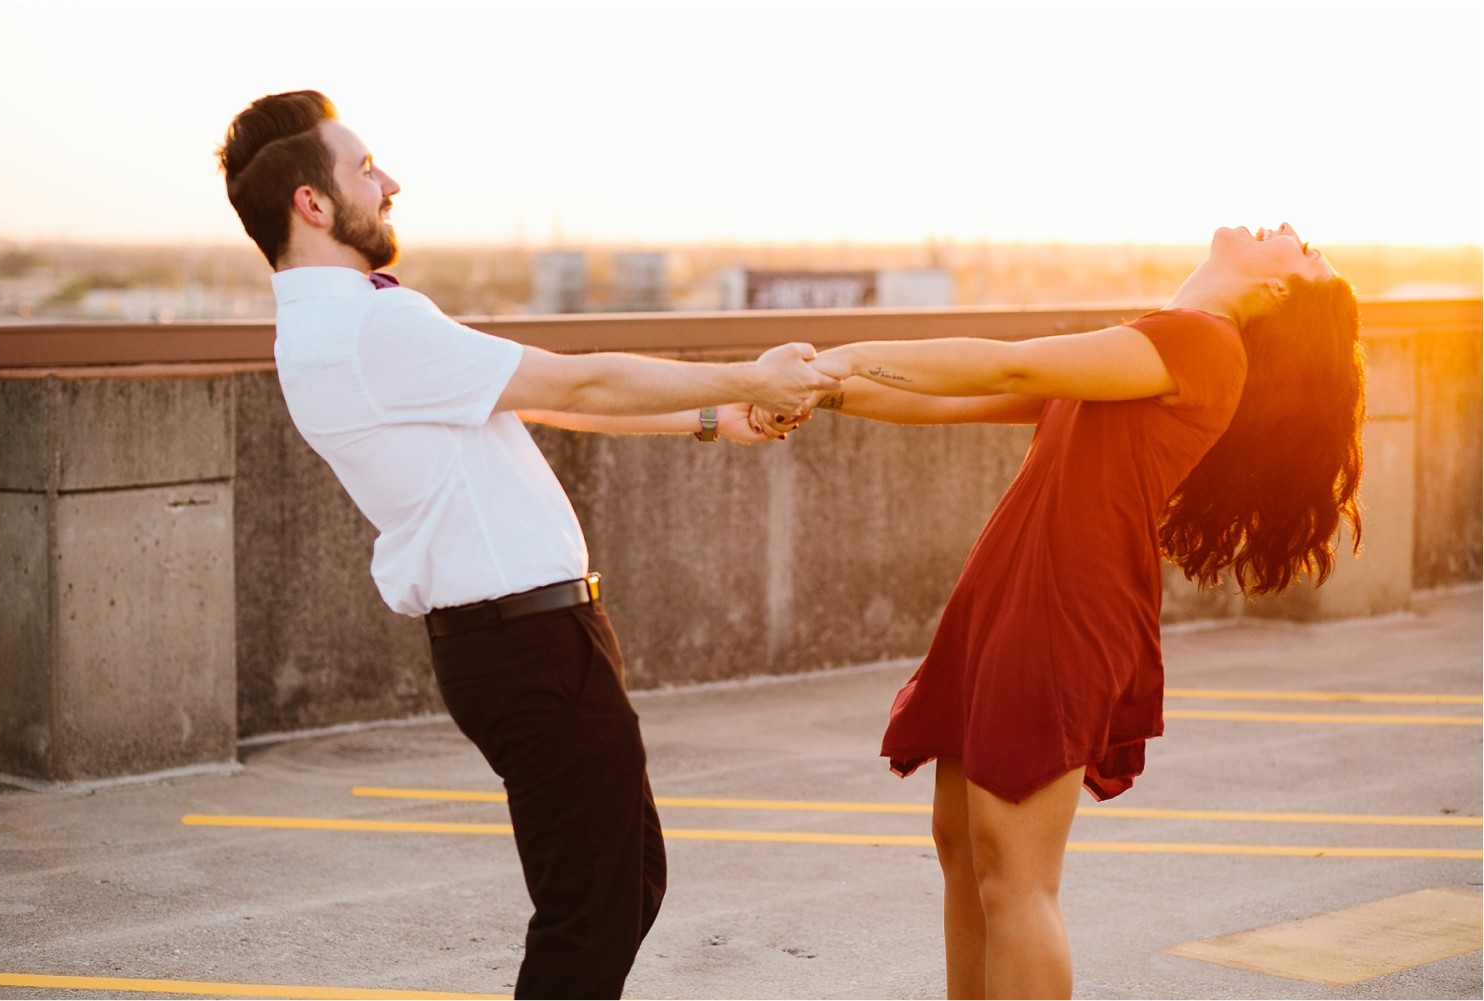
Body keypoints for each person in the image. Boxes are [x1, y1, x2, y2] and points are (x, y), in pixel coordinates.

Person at [216, 90, 836, 1000]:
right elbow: (579, 378)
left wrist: (712, 416)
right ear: (311, 204)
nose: (390, 183)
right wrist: (755, 372)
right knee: (589, 914)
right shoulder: (368, 326)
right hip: (527, 647)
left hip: (525, 642)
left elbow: (536, 397)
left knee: (623, 886)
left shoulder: (337, 325)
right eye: (364, 168)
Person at [795, 224, 1364, 999]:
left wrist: (847, 356)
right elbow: (958, 398)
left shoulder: (1202, 343)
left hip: (1067, 601)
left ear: (1275, 294)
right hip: (1009, 588)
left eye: (1307, 254)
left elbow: (1010, 359)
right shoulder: (1149, 347)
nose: (1294, 233)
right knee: (964, 850)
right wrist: (812, 391)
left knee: (1015, 872)